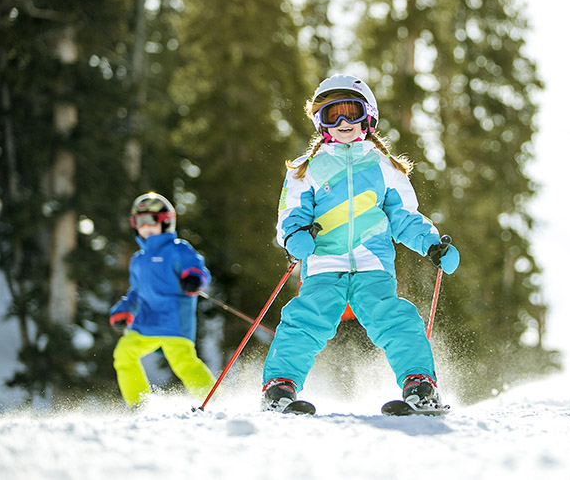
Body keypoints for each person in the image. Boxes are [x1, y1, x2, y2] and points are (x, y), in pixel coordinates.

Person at [261, 74, 459, 412]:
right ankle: (279, 387)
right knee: (305, 319)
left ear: (368, 117)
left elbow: (404, 216)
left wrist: (430, 244)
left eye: (351, 113)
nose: (342, 123)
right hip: (324, 264)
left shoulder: (384, 167)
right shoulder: (306, 169)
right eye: (331, 115)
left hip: (373, 264)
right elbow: (291, 214)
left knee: (396, 319)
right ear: (319, 122)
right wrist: (295, 239)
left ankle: (420, 384)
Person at [109, 192, 215, 407]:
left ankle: (214, 401)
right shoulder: (138, 260)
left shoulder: (178, 249)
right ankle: (139, 404)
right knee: (123, 353)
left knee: (183, 363)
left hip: (174, 320)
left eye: (151, 220)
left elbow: (196, 269)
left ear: (166, 221)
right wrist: (124, 310)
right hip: (146, 322)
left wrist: (194, 278)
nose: (145, 226)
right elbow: (136, 292)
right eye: (140, 221)